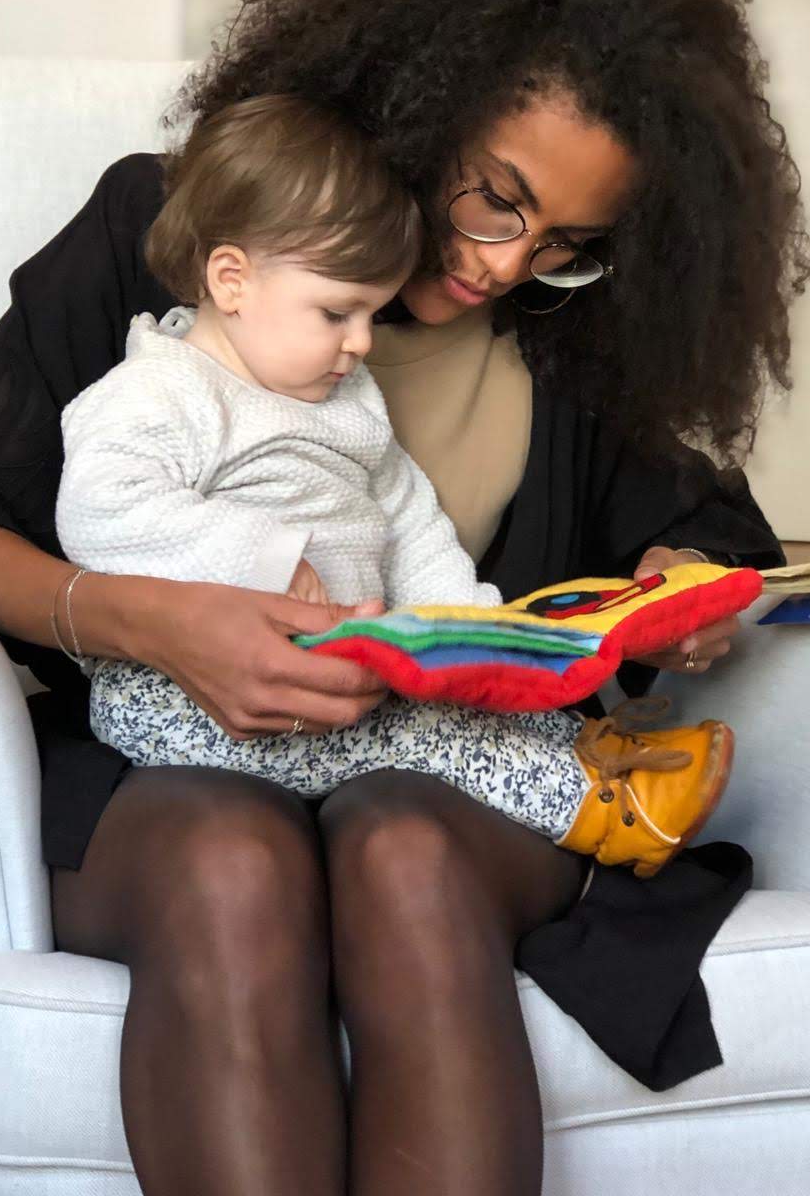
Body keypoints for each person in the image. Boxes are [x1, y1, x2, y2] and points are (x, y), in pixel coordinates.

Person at [0, 0, 810, 1196]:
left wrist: (681, 585)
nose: (508, 264)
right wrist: (152, 618)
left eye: (567, 244)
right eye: (497, 198)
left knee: (401, 847)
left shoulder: (572, 340)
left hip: (437, 774)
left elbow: (711, 527)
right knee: (234, 861)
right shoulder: (176, 233)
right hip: (164, 759)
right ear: (418, 102)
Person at [57, 90, 735, 877]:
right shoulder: (162, 391)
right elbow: (100, 509)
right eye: (337, 314)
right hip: (175, 699)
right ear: (232, 280)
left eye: (371, 315)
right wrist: (266, 558)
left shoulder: (343, 398)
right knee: (421, 739)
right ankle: (603, 810)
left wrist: (475, 634)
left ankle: (589, 748)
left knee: (455, 710)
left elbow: (407, 518)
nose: (360, 343)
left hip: (335, 677)